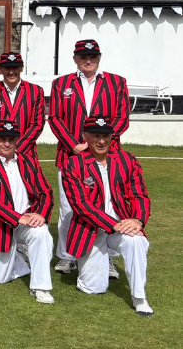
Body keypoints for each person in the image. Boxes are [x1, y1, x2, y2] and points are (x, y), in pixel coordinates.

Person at [49, 39, 130, 275]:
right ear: (75, 58)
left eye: (92, 56)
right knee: (68, 207)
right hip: (71, 155)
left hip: (107, 156)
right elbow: (54, 118)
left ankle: (108, 257)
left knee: (108, 205)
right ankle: (67, 256)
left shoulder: (117, 82)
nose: (88, 60)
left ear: (99, 58)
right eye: (83, 56)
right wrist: (74, 144)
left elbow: (122, 118)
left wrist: (98, 145)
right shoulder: (61, 83)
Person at [63, 116, 153, 316]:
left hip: (120, 226)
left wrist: (137, 220)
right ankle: (91, 266)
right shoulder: (73, 164)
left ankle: (139, 297)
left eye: (106, 135)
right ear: (85, 136)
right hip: (90, 230)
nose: (101, 140)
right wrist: (114, 224)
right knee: (93, 288)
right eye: (96, 135)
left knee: (137, 242)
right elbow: (80, 205)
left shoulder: (127, 159)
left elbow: (139, 195)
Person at [0, 120, 55, 305]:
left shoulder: (28, 161)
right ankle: (21, 254)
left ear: (17, 140)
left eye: (11, 139)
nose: (6, 143)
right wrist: (18, 218)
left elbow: (46, 192)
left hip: (28, 221)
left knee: (41, 233)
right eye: (2, 139)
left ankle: (41, 287)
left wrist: (40, 214)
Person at [0, 52, 45, 163]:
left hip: (25, 153)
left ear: (21, 68)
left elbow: (37, 124)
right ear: (0, 69)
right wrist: (0, 148)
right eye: (7, 68)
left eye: (15, 68)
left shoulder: (36, 91)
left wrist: (17, 148)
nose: (11, 72)